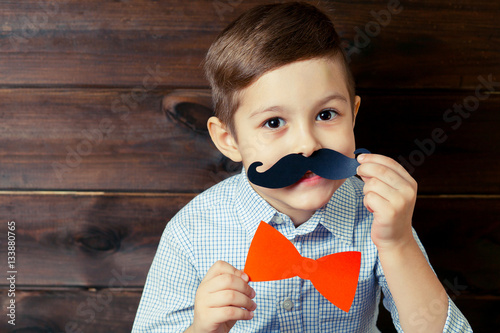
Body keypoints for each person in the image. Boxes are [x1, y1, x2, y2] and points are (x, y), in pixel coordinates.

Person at [133, 2, 472, 332]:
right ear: (228, 139)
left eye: (326, 115)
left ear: (353, 115)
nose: (307, 145)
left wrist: (397, 243)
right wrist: (203, 329)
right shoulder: (191, 232)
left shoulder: (380, 217)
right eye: (274, 121)